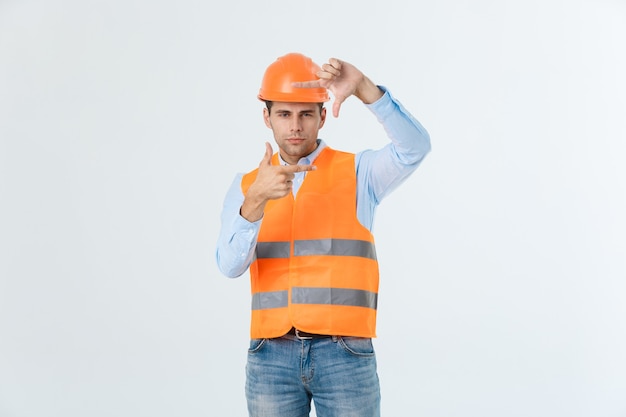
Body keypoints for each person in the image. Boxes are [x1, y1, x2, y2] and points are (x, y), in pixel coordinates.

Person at [215, 52, 431, 417]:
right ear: (266, 117)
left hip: (344, 354)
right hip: (270, 357)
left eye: (305, 114)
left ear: (322, 116)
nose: (295, 126)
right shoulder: (247, 186)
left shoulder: (359, 172)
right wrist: (255, 202)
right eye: (284, 114)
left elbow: (415, 148)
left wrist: (365, 89)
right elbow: (228, 266)